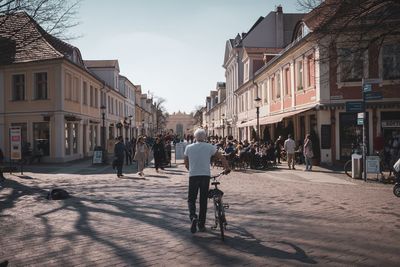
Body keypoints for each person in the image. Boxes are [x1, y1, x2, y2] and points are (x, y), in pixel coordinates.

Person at [184, 128, 230, 234]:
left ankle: (193, 217)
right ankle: (201, 224)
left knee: (191, 199)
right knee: (203, 200)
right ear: (204, 137)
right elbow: (222, 157)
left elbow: (186, 163)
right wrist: (227, 168)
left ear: (195, 137)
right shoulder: (210, 147)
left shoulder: (188, 147)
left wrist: (191, 170)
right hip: (205, 176)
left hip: (193, 176)